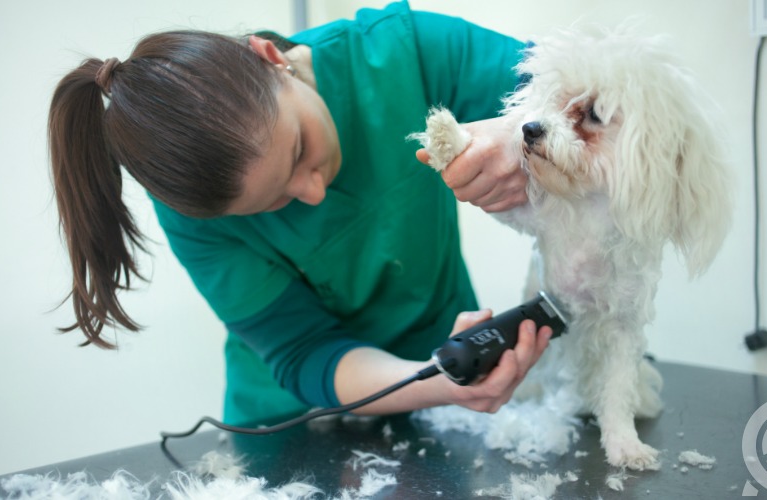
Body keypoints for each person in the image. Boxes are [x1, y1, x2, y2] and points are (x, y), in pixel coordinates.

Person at [49, 0, 553, 425]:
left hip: (447, 393)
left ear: (271, 59)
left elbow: (587, 101)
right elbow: (305, 349)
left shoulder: (404, 51)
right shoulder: (192, 215)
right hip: (294, 427)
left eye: (298, 151)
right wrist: (436, 384)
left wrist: (522, 135)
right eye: (274, 203)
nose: (312, 193)